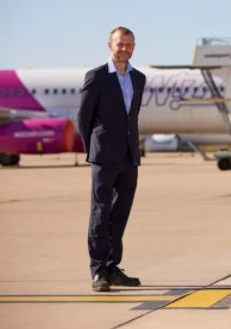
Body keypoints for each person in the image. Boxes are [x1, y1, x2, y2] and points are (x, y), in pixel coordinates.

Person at [78, 26, 146, 292]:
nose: (124, 49)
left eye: (129, 45)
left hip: (129, 156)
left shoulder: (138, 78)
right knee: (100, 212)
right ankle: (98, 272)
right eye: (120, 44)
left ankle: (112, 266)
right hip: (104, 156)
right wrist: (94, 148)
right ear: (110, 46)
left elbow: (133, 116)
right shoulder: (96, 77)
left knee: (120, 214)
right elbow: (85, 117)